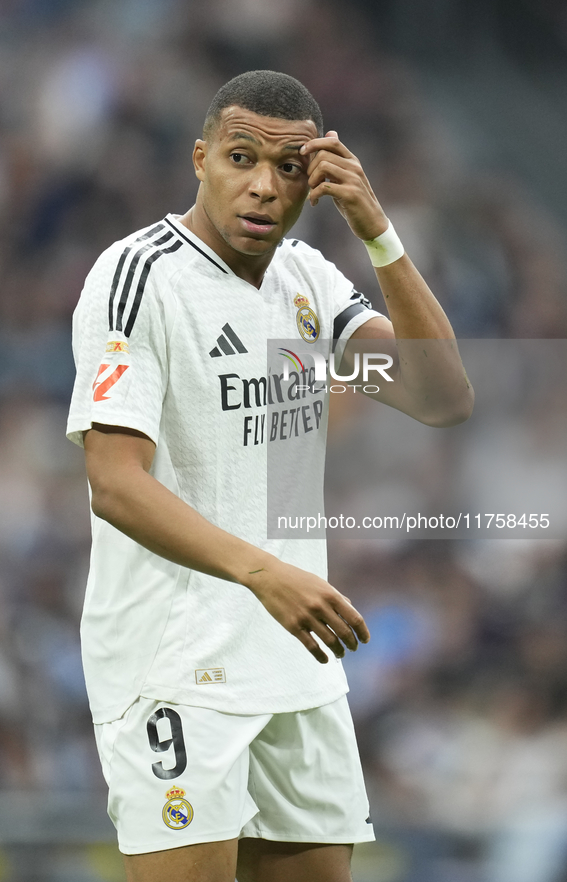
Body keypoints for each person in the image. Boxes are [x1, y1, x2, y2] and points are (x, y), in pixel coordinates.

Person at [66, 70, 473, 882]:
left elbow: (440, 396)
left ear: (314, 181)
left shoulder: (307, 281)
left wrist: (376, 230)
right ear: (199, 158)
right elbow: (114, 481)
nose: (261, 185)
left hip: (295, 664)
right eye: (239, 157)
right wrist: (262, 572)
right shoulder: (138, 276)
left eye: (288, 168)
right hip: (173, 666)